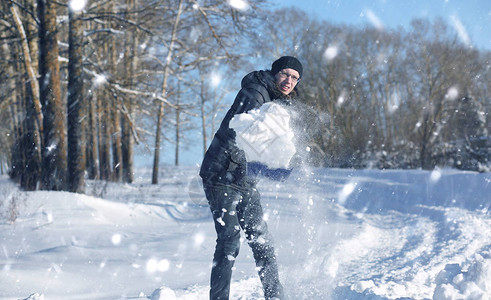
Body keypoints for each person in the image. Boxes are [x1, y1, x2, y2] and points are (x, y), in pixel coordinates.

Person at [199, 56, 303, 300]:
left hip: (244, 178)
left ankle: (275, 296)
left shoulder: (279, 101)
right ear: (275, 73)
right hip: (221, 173)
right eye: (285, 74)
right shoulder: (256, 93)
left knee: (261, 240)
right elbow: (243, 133)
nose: (289, 81)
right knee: (229, 241)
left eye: (295, 77)